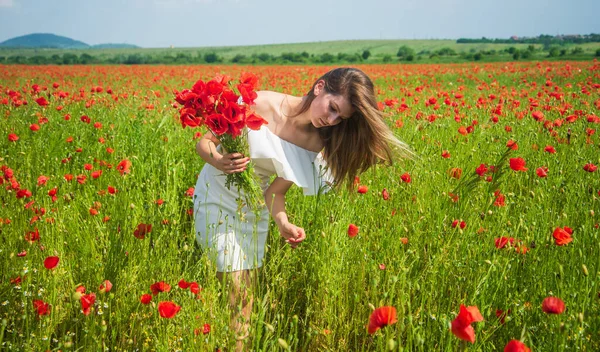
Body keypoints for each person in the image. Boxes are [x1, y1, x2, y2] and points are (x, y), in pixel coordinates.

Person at [193, 67, 411, 350]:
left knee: (244, 299)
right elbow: (204, 143)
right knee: (236, 290)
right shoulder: (259, 102)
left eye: (339, 117)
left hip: (252, 211)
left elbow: (274, 193)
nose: (330, 120)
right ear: (319, 87)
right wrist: (220, 160)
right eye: (332, 108)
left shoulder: (315, 142)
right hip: (215, 198)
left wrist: (284, 224)